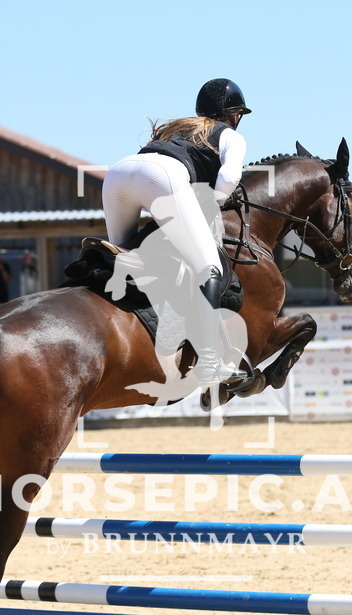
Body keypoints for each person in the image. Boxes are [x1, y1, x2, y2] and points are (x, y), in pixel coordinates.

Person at [101, 78, 252, 385]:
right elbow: (230, 175)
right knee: (208, 268)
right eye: (238, 114)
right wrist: (217, 200)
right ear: (232, 114)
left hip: (118, 173)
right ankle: (209, 362)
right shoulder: (230, 136)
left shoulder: (176, 129)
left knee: (120, 255)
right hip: (162, 178)